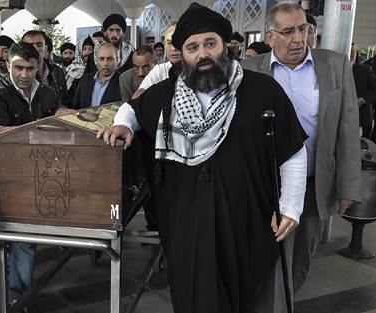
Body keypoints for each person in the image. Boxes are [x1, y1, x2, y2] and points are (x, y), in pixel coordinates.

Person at [99, 3, 307, 311]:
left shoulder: (263, 90)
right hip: (186, 224)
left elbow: (293, 151)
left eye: (210, 44)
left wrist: (291, 206)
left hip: (246, 221)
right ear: (182, 54)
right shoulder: (166, 93)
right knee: (191, 295)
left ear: (225, 46)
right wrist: (123, 124)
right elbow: (132, 106)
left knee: (246, 297)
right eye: (192, 47)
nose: (202, 54)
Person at [242, 2, 361, 304]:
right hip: (265, 187)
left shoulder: (335, 66)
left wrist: (348, 186)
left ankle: (284, 301)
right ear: (270, 37)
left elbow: (347, 128)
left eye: (303, 29)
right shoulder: (249, 71)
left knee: (301, 260)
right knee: (270, 258)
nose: (299, 38)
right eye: (288, 31)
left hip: (312, 183)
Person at [0, 42, 73, 310]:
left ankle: (16, 296)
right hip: (8, 177)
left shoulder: (47, 93)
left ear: (39, 67)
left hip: (42, 175)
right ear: (8, 66)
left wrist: (60, 114)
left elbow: (56, 113)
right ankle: (12, 296)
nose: (24, 75)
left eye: (30, 68)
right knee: (16, 239)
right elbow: (0, 138)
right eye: (18, 68)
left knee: (25, 241)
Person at [132, 23, 181, 99]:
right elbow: (139, 94)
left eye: (178, 42)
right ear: (165, 45)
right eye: (169, 43)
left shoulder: (197, 70)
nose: (173, 48)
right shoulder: (160, 70)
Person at [22, 30, 70, 106]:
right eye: (30, 45)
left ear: (46, 48)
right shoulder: (18, 74)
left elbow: (65, 100)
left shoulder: (57, 72)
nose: (36, 49)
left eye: (39, 45)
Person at [72, 42, 122, 108]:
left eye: (110, 59)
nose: (105, 63)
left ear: (117, 61)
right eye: (101, 59)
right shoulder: (85, 80)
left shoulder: (123, 82)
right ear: (96, 61)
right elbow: (76, 106)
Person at [351, 43, 376, 139]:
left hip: (360, 113)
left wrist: (363, 99)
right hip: (338, 115)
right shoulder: (333, 70)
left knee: (364, 141)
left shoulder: (364, 70)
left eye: (353, 51)